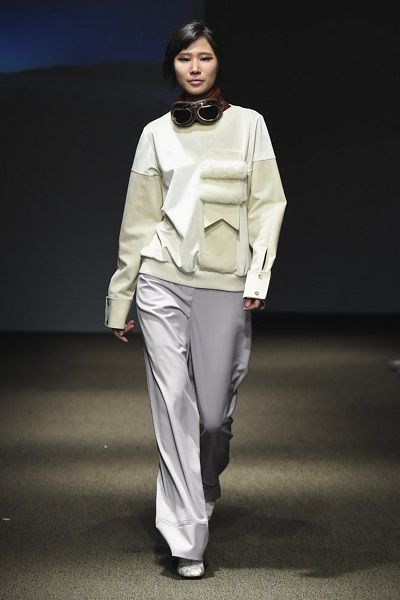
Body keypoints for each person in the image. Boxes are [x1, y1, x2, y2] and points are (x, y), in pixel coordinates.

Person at [104, 19, 287, 578]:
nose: (196, 67)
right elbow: (138, 221)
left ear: (217, 62)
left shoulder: (250, 125)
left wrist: (258, 277)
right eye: (185, 59)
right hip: (161, 278)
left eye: (204, 57)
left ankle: (207, 479)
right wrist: (121, 297)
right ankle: (187, 541)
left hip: (224, 282)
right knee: (172, 404)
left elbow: (268, 204)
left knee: (212, 417)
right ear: (172, 67)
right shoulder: (154, 133)